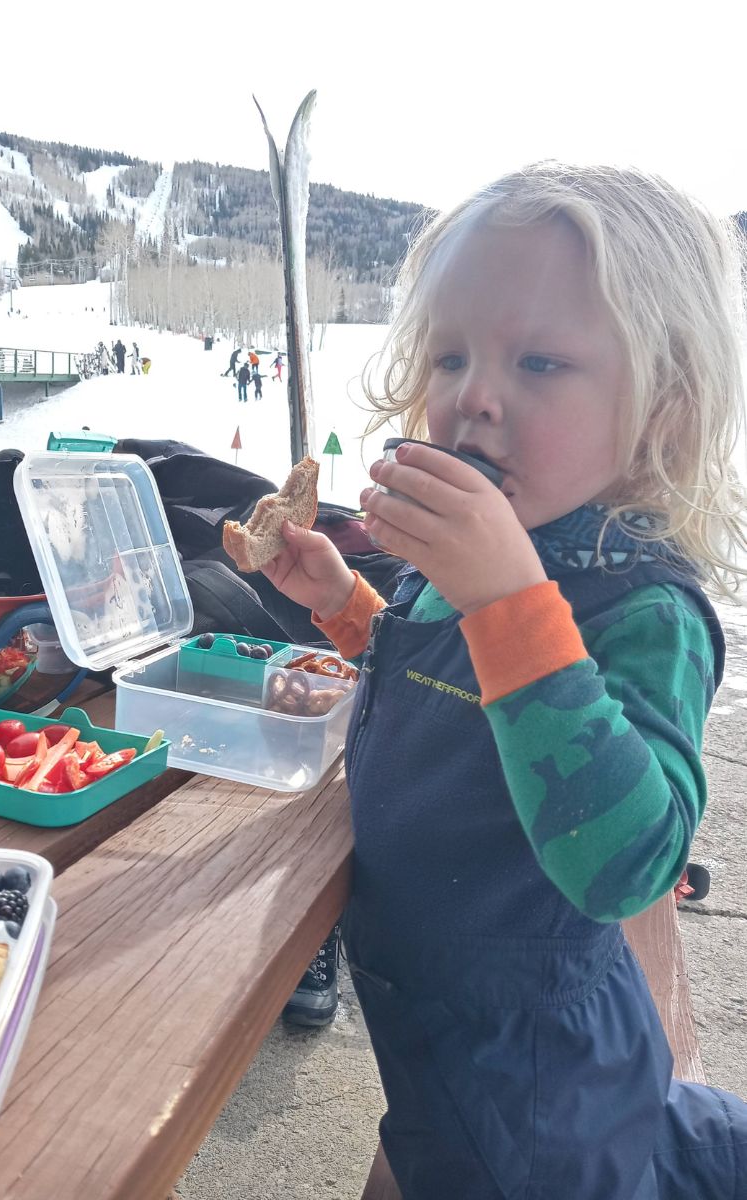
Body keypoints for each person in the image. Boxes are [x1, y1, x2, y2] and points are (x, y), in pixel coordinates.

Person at [260, 162, 747, 1198]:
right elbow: (446, 684)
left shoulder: (645, 613)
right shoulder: (468, 571)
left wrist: (507, 600)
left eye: (538, 362)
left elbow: (632, 864)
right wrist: (350, 607)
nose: (475, 396)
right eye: (450, 354)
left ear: (662, 407)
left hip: (541, 1095)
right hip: (433, 1034)